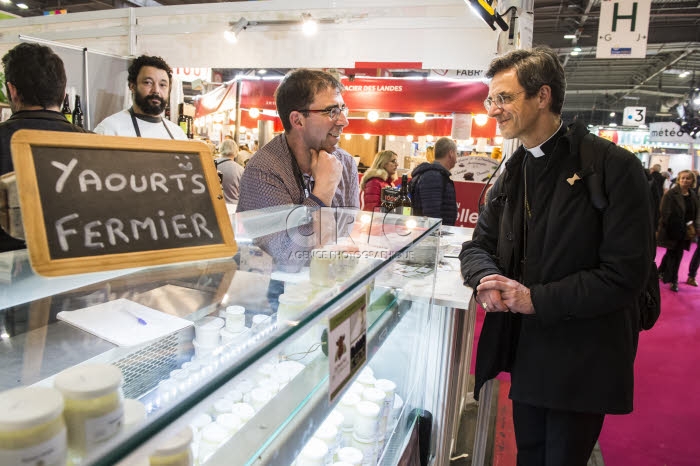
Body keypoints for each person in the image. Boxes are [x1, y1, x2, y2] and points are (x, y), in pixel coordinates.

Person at [459, 46, 653, 466]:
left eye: (504, 98)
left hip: (582, 359)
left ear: (542, 96)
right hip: (528, 351)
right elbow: (477, 246)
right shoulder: (514, 169)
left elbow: (625, 275)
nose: (494, 110)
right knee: (528, 454)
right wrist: (485, 279)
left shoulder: (613, 166)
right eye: (491, 99)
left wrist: (534, 300)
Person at [237, 69, 359, 267]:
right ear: (297, 120)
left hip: (327, 285)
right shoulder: (263, 171)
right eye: (331, 111)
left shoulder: (345, 163)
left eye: (343, 109)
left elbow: (341, 238)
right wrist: (322, 194)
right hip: (273, 291)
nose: (344, 120)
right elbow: (288, 257)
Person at [0, 42, 90, 252]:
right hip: (77, 274)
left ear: (12, 91)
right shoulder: (95, 145)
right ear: (63, 93)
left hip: (8, 277)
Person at [93, 55, 187, 140]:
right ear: (132, 86)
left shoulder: (178, 134)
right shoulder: (110, 129)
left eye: (162, 84)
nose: (156, 90)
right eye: (148, 82)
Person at [657, 170, 699, 291]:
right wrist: (675, 227)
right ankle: (673, 280)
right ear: (679, 179)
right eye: (683, 178)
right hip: (672, 230)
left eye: (688, 178)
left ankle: (660, 272)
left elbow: (695, 212)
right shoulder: (670, 194)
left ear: (692, 181)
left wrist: (694, 227)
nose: (685, 180)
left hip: (686, 231)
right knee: (675, 255)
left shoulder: (692, 195)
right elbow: (664, 213)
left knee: (673, 254)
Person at [409, 137, 458, 225]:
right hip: (433, 234)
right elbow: (431, 214)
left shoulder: (436, 175)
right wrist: (436, 235)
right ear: (451, 153)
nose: (457, 157)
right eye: (456, 153)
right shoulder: (433, 176)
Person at [215, 139, 244, 204]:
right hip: (233, 207)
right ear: (236, 151)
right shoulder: (240, 170)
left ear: (221, 149)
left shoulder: (211, 165)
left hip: (215, 206)